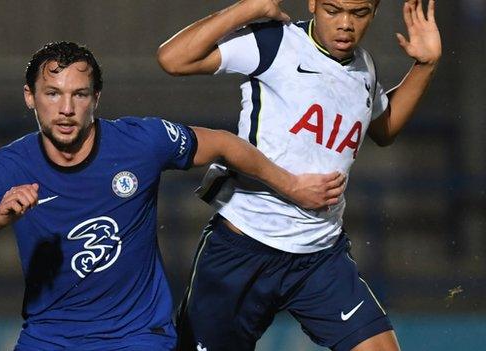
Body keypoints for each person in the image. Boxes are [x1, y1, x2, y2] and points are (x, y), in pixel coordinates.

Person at [0, 41, 346, 351]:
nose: (66, 108)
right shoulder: (10, 166)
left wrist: (290, 185)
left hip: (138, 336)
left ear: (96, 99)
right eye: (52, 93)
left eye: (79, 94)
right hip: (51, 338)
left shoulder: (140, 143)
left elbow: (222, 143)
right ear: (30, 97)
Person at [157, 0, 441, 350]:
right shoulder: (276, 43)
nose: (346, 24)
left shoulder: (364, 67)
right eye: (334, 10)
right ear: (313, 4)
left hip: (319, 256)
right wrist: (250, 8)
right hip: (244, 247)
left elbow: (385, 129)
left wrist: (425, 65)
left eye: (359, 13)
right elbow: (173, 59)